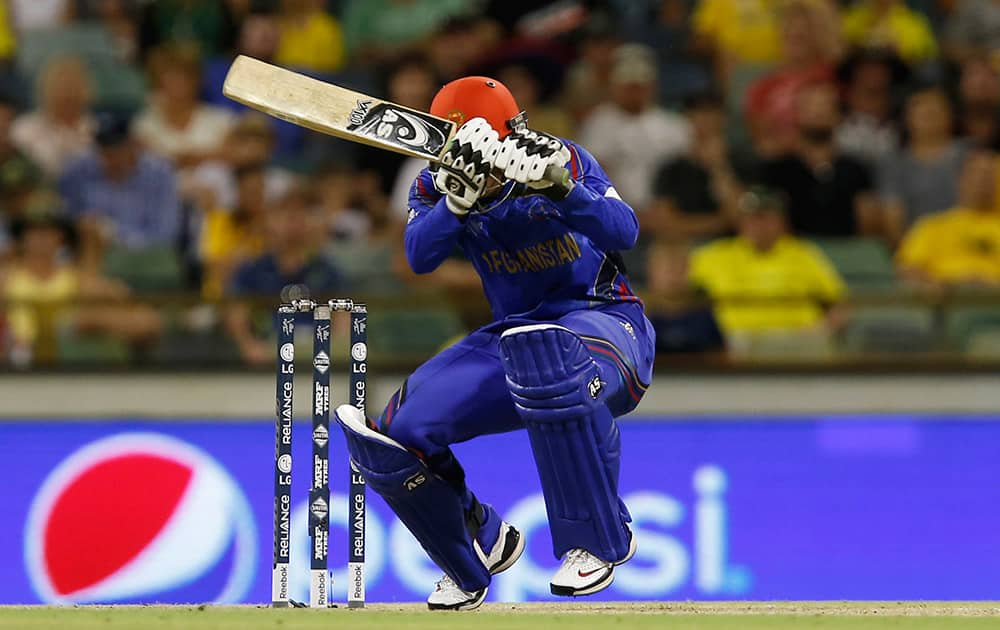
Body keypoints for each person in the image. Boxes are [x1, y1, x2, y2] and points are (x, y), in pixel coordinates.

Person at [331, 76, 653, 611]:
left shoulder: (561, 159)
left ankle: (599, 540)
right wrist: (454, 206)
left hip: (608, 325)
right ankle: (477, 543)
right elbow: (419, 257)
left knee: (549, 356)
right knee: (395, 433)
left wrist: (561, 191)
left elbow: (625, 232)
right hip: (514, 337)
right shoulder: (436, 184)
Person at [689, 187, 846, 339]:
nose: (758, 224)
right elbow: (675, 295)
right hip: (735, 341)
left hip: (795, 340)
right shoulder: (714, 255)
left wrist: (819, 331)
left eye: (765, 217)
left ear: (782, 221)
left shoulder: (804, 254)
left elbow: (838, 304)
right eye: (751, 217)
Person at [224, 185, 340, 364]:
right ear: (269, 222)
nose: (293, 222)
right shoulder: (252, 269)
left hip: (317, 353)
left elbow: (344, 317)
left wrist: (333, 349)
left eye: (301, 214)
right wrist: (249, 345)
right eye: (285, 214)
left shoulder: (325, 270)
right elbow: (236, 314)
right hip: (268, 350)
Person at [759, 81, 880, 237]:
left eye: (824, 106)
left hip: (847, 252)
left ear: (838, 116)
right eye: (810, 107)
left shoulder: (856, 169)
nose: (817, 113)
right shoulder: (777, 169)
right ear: (797, 115)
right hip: (793, 253)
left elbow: (868, 225)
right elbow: (769, 221)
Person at [578, 44, 691, 208]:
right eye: (628, 86)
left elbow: (683, 177)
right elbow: (591, 178)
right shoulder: (598, 124)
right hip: (614, 212)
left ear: (652, 85)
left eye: (639, 86)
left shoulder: (674, 126)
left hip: (669, 214)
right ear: (614, 85)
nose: (634, 92)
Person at [896, 149, 1000, 288]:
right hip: (944, 304)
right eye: (976, 174)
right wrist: (933, 284)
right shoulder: (931, 226)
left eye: (990, 176)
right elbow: (907, 270)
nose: (983, 182)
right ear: (960, 179)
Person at [879, 84, 967, 241]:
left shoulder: (970, 155)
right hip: (917, 248)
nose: (928, 114)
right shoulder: (894, 162)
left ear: (949, 116)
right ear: (907, 118)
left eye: (935, 111)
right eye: (921, 111)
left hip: (965, 244)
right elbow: (892, 217)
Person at [11, 56, 95, 177]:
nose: (66, 93)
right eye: (59, 86)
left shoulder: (98, 129)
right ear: (44, 90)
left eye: (72, 86)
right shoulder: (23, 129)